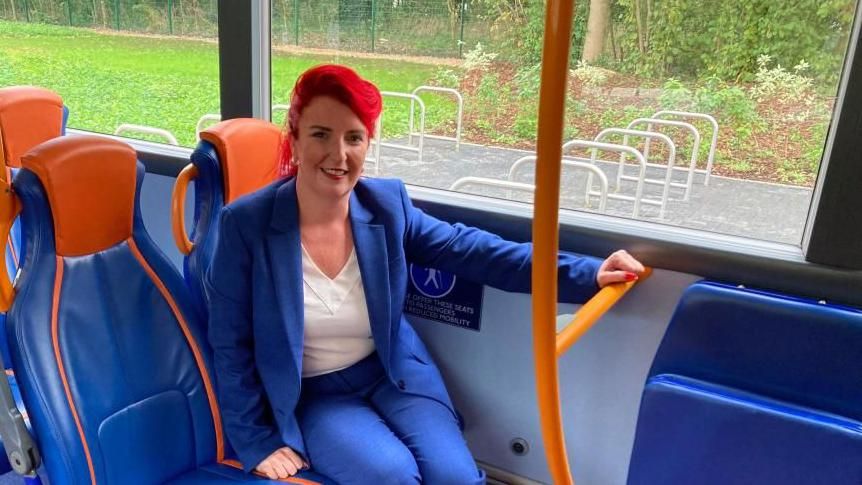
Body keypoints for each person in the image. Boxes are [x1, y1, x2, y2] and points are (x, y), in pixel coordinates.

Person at [206, 64, 644, 485]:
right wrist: (256, 441)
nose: (339, 155)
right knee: (392, 476)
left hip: (391, 371)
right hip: (316, 395)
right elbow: (230, 344)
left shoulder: (387, 206)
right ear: (296, 139)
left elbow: (474, 251)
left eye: (354, 138)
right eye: (321, 134)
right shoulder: (246, 225)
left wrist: (586, 273)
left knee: (455, 477)